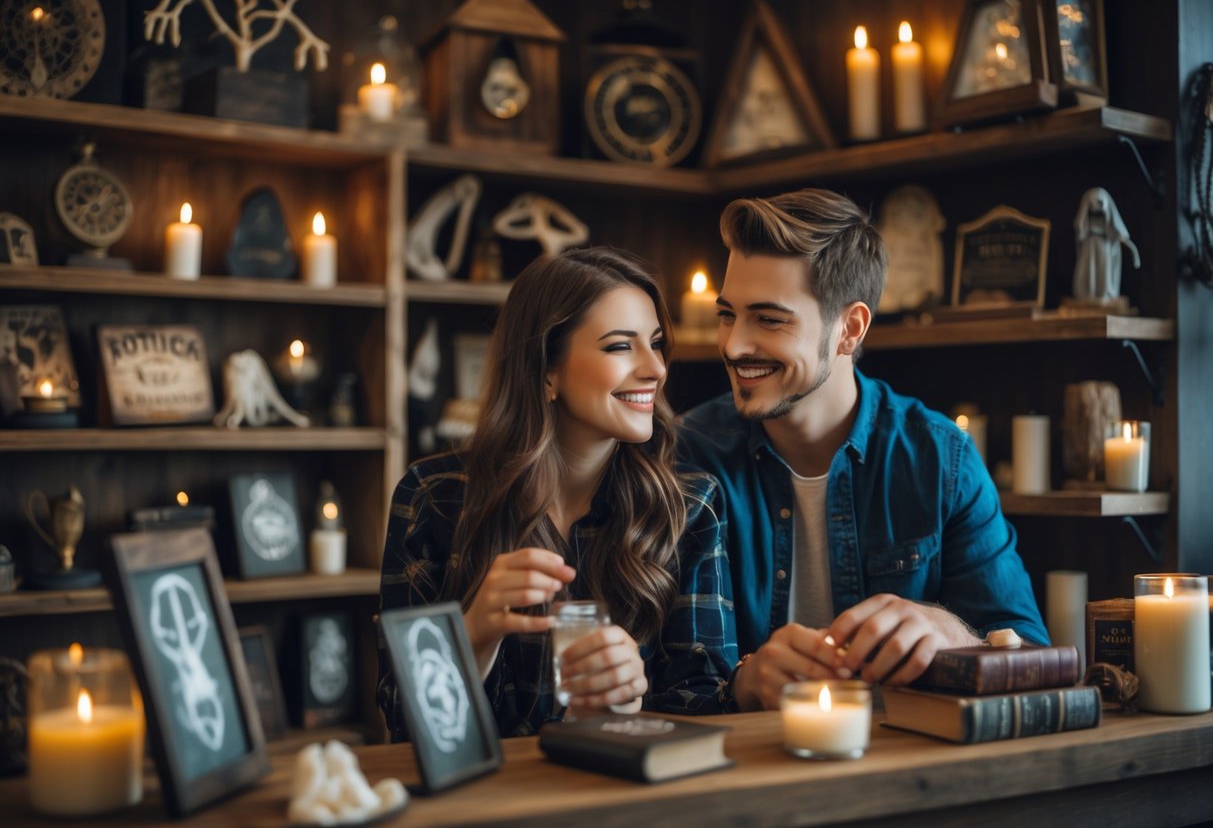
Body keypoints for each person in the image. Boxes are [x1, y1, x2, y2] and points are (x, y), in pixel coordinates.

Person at [676, 188, 1048, 712]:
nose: (734, 345)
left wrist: (955, 634)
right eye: (727, 314)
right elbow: (653, 678)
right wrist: (742, 683)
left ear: (849, 329)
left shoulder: (942, 459)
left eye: (769, 319)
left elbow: (1033, 654)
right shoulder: (685, 454)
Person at [378, 247, 735, 739]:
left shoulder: (690, 507)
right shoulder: (432, 498)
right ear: (546, 369)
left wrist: (631, 704)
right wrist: (474, 633)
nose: (656, 369)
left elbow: (710, 704)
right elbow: (402, 721)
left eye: (655, 344)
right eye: (619, 347)